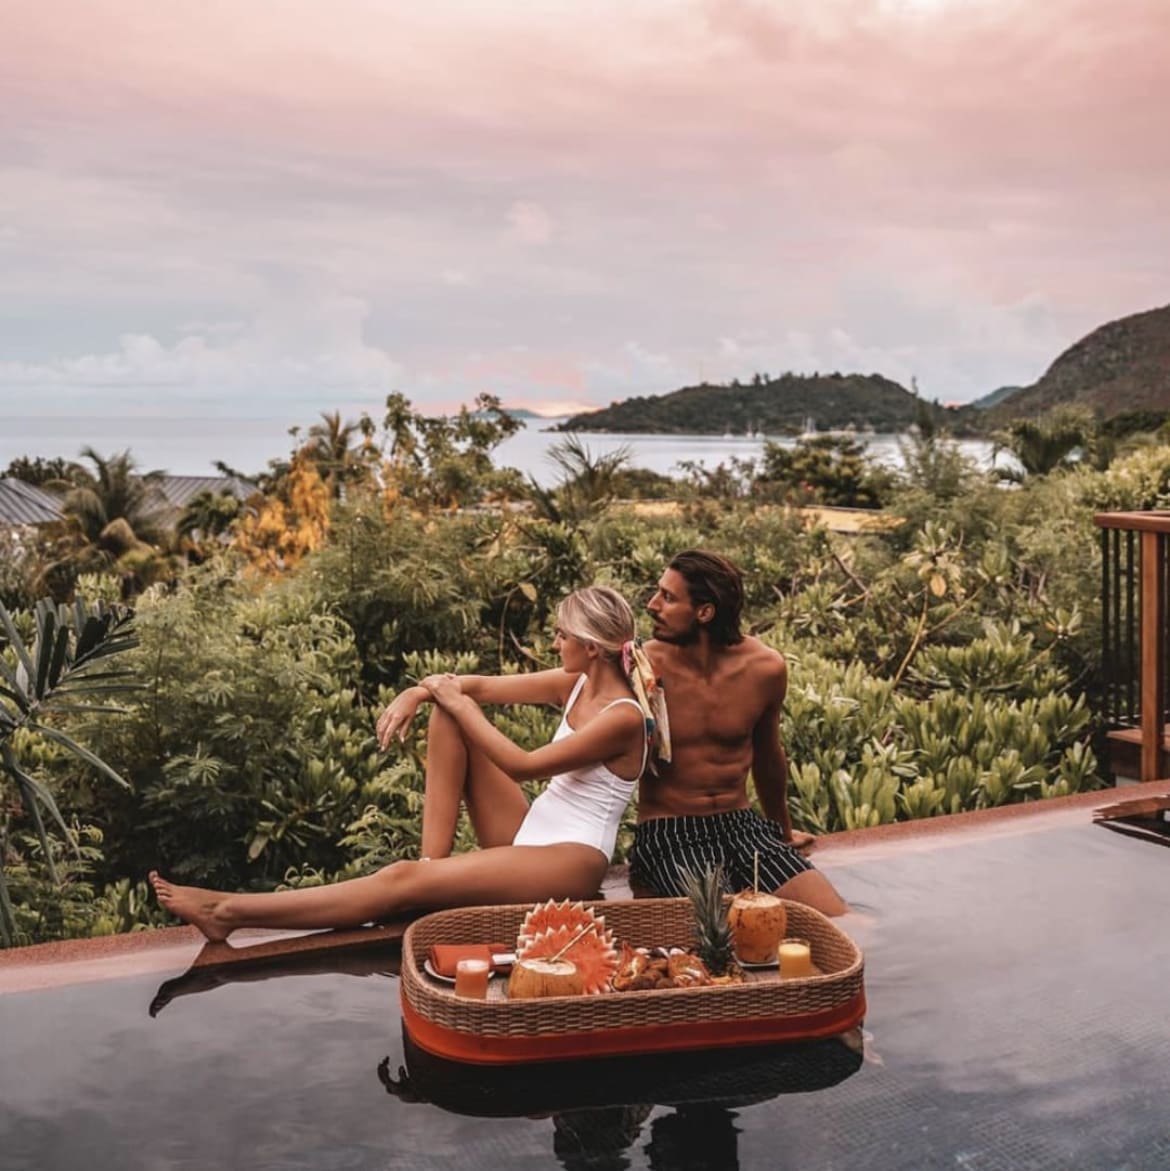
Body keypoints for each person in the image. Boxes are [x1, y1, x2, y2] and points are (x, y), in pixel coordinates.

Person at [150, 586, 648, 942]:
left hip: (570, 862)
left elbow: (523, 766)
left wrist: (454, 698)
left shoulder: (622, 717)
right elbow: (473, 685)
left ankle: (227, 911)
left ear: (591, 648)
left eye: (561, 637)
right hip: (531, 833)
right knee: (448, 716)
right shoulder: (577, 680)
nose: (553, 644)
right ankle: (429, 870)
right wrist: (418, 692)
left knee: (400, 873)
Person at [630, 550, 848, 916]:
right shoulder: (643, 666)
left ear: (704, 612)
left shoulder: (764, 667)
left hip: (742, 826)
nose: (652, 605)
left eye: (668, 597)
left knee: (837, 920)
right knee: (726, 931)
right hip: (670, 831)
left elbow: (768, 756)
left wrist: (781, 832)